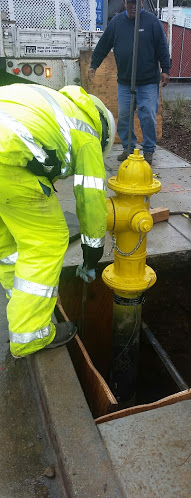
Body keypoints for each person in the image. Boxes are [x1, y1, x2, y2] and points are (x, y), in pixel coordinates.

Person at [0, 83, 115, 358]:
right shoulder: (88, 135)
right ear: (104, 135)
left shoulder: (57, 106)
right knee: (47, 241)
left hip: (8, 153)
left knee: (9, 239)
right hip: (8, 156)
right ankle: (30, 335)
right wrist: (92, 252)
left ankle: (22, 301)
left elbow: (42, 160)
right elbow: (91, 199)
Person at [88, 0, 171, 165]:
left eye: (136, 3)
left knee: (147, 114)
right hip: (125, 82)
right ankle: (128, 148)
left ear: (141, 3)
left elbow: (162, 46)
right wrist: (93, 65)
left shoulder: (152, 22)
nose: (133, 6)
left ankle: (148, 150)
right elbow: (104, 45)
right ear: (125, 3)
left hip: (148, 81)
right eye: (130, 3)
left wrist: (166, 69)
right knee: (125, 116)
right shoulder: (117, 23)